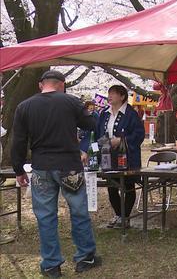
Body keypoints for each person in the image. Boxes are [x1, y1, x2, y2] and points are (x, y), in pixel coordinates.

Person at [11, 70, 101, 277]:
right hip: (69, 165)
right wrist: (89, 110)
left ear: (41, 85)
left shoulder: (24, 106)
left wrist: (18, 170)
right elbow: (91, 124)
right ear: (62, 84)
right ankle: (85, 257)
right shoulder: (71, 102)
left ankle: (51, 264)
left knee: (45, 216)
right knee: (78, 212)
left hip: (41, 166)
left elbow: (18, 142)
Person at [81, 85, 145, 229]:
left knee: (128, 185)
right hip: (108, 156)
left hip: (126, 156)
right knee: (111, 186)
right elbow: (96, 133)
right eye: (109, 93)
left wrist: (122, 140)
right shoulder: (105, 113)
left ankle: (126, 217)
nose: (109, 96)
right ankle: (118, 215)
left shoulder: (131, 114)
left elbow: (139, 134)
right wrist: (89, 150)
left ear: (122, 96)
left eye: (113, 94)